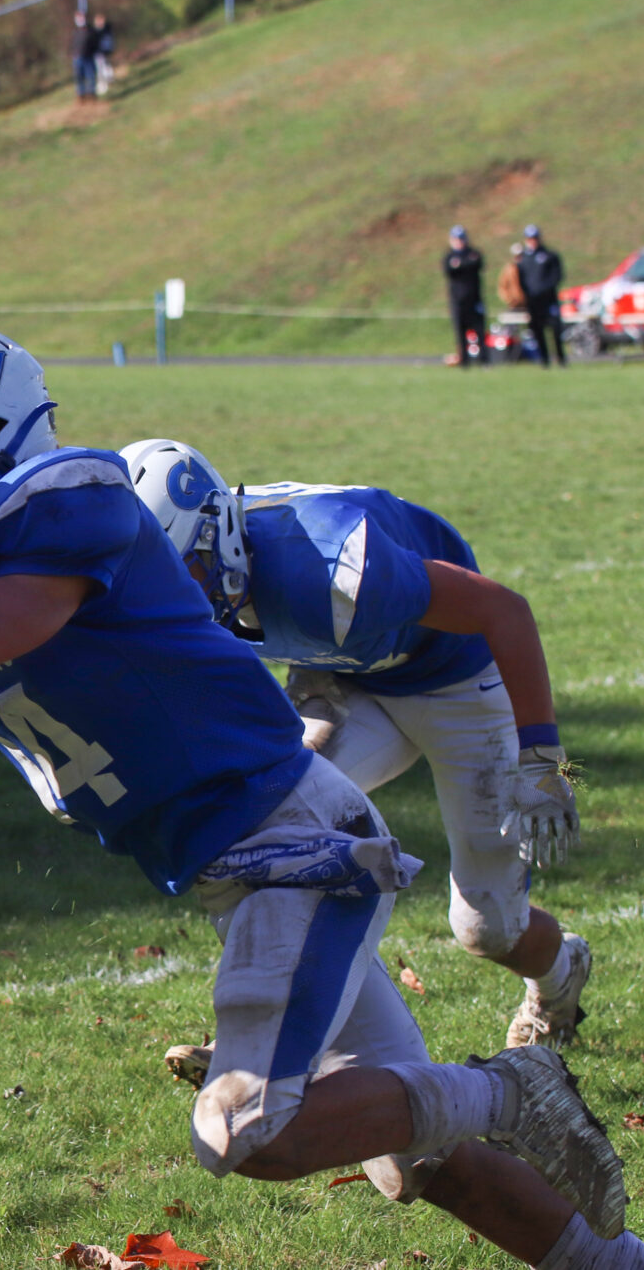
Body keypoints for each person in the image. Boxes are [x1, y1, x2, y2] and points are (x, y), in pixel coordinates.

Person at [0, 322, 644, 1269]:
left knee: (248, 1132)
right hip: (241, 864)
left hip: (292, 849)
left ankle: (512, 1087)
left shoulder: (65, 500)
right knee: (414, 1160)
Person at [119, 440, 592, 1056]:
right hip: (350, 675)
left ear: (220, 535)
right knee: (260, 831)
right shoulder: (194, 562)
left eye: (186, 571)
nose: (175, 595)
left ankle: (559, 978)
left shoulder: (334, 565)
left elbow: (502, 609)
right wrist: (311, 671)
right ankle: (274, 1036)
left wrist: (542, 758)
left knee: (487, 929)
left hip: (459, 681)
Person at [519, 226, 566, 367]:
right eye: (530, 239)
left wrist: (544, 290)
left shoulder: (549, 255)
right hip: (533, 302)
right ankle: (544, 360)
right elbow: (521, 279)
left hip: (549, 300)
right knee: (537, 331)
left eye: (535, 238)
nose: (532, 241)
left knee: (555, 330)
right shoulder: (523, 258)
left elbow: (557, 276)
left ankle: (561, 359)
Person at [442, 226, 486, 366]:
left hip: (474, 300)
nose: (459, 242)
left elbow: (477, 263)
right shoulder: (449, 256)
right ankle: (464, 362)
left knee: (479, 331)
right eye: (456, 239)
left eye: (461, 239)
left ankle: (484, 361)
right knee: (460, 333)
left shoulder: (473, 253)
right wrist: (465, 264)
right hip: (457, 301)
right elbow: (449, 270)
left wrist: (460, 265)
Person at [71, 11, 98, 101]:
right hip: (78, 58)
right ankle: (81, 96)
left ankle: (91, 95)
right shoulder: (75, 32)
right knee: (79, 77)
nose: (80, 20)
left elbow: (95, 43)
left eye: (82, 18)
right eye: (78, 18)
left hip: (89, 57)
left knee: (90, 76)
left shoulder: (90, 31)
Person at [90, 11, 118, 97]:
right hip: (98, 52)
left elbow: (108, 41)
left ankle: (106, 82)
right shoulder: (95, 31)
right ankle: (103, 84)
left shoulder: (106, 29)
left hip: (104, 51)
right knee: (100, 69)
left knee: (105, 67)